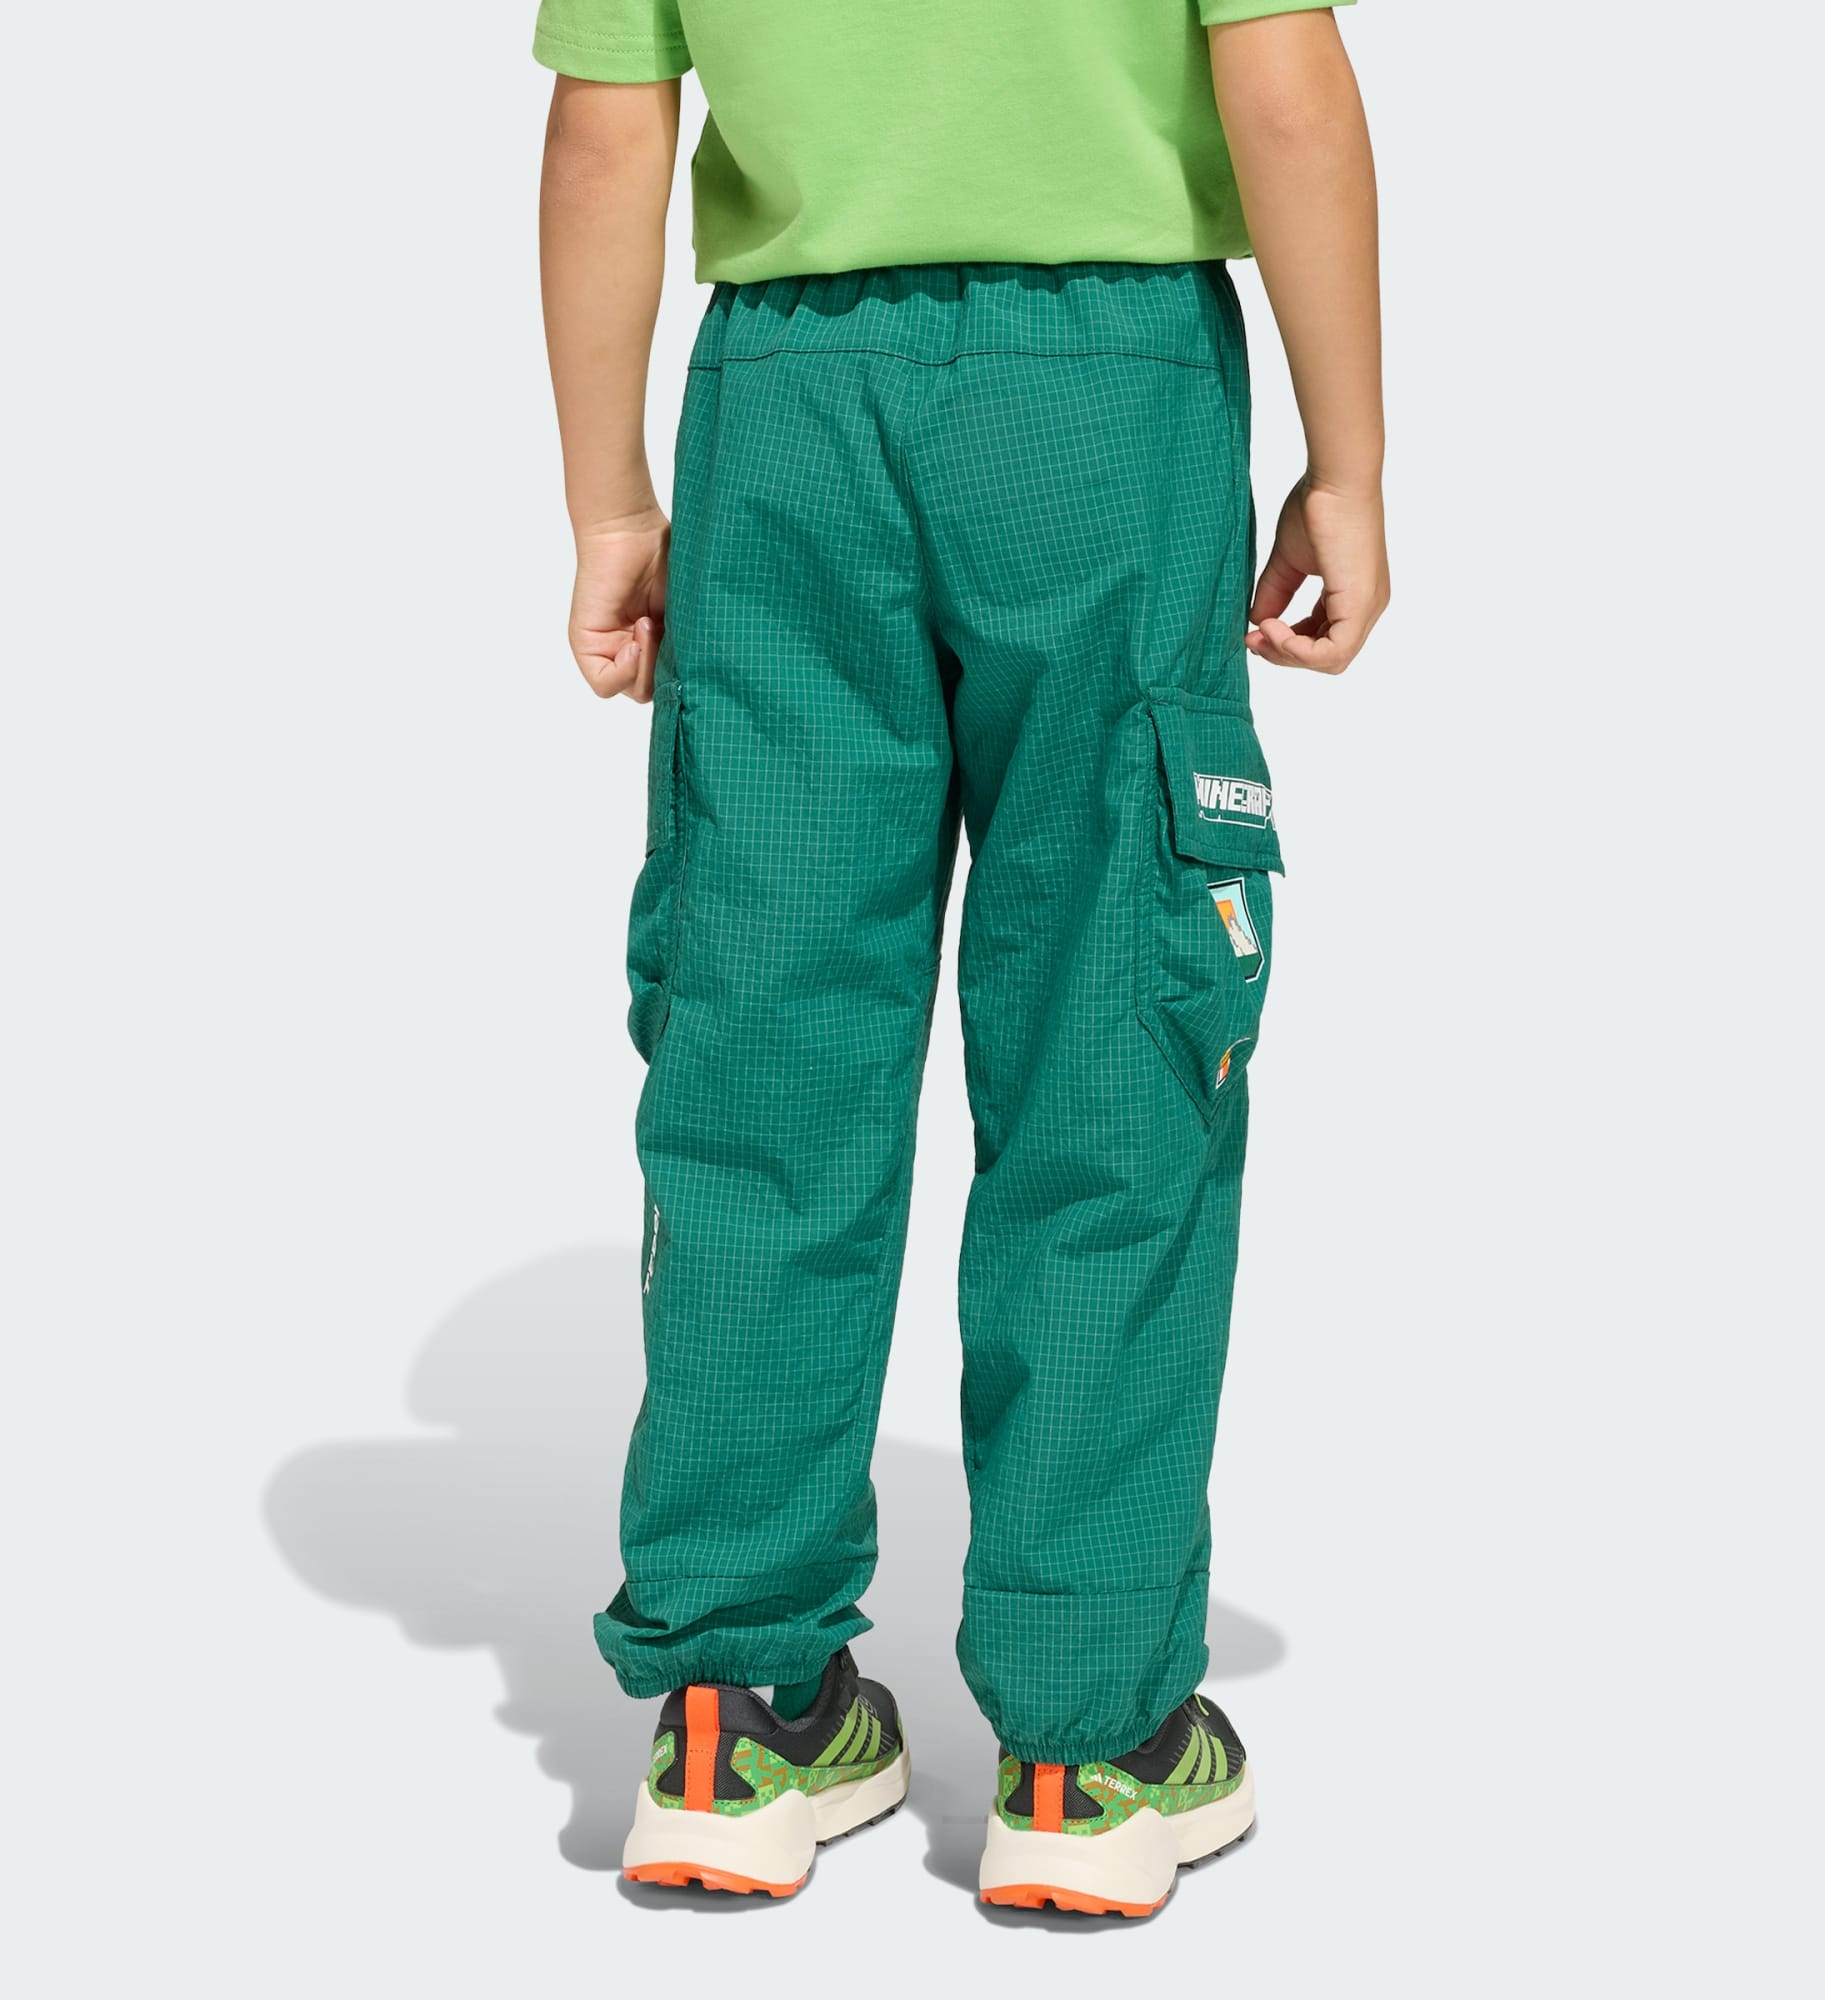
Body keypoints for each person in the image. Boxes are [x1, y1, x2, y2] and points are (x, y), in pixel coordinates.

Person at [534, 0, 1388, 1917]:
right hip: (1111, 400)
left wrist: (609, 498)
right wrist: (1348, 458)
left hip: (787, 408)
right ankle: (1088, 1744)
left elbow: (605, 134)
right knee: (1113, 1040)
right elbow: (1287, 87)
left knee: (762, 1054)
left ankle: (734, 1715)